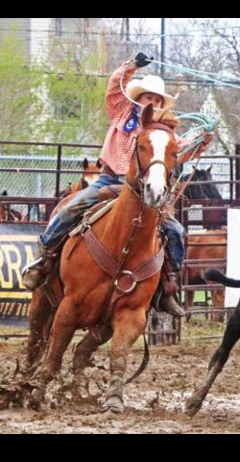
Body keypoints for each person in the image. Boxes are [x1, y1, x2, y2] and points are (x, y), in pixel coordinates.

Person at [22, 53, 213, 317]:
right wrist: (132, 65)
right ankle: (44, 262)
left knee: (175, 231)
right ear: (139, 98)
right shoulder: (122, 111)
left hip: (142, 191)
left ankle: (167, 288)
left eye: (157, 99)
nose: (153, 102)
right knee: (69, 208)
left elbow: (178, 154)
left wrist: (202, 141)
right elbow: (114, 85)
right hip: (109, 179)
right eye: (149, 97)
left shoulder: (164, 133)